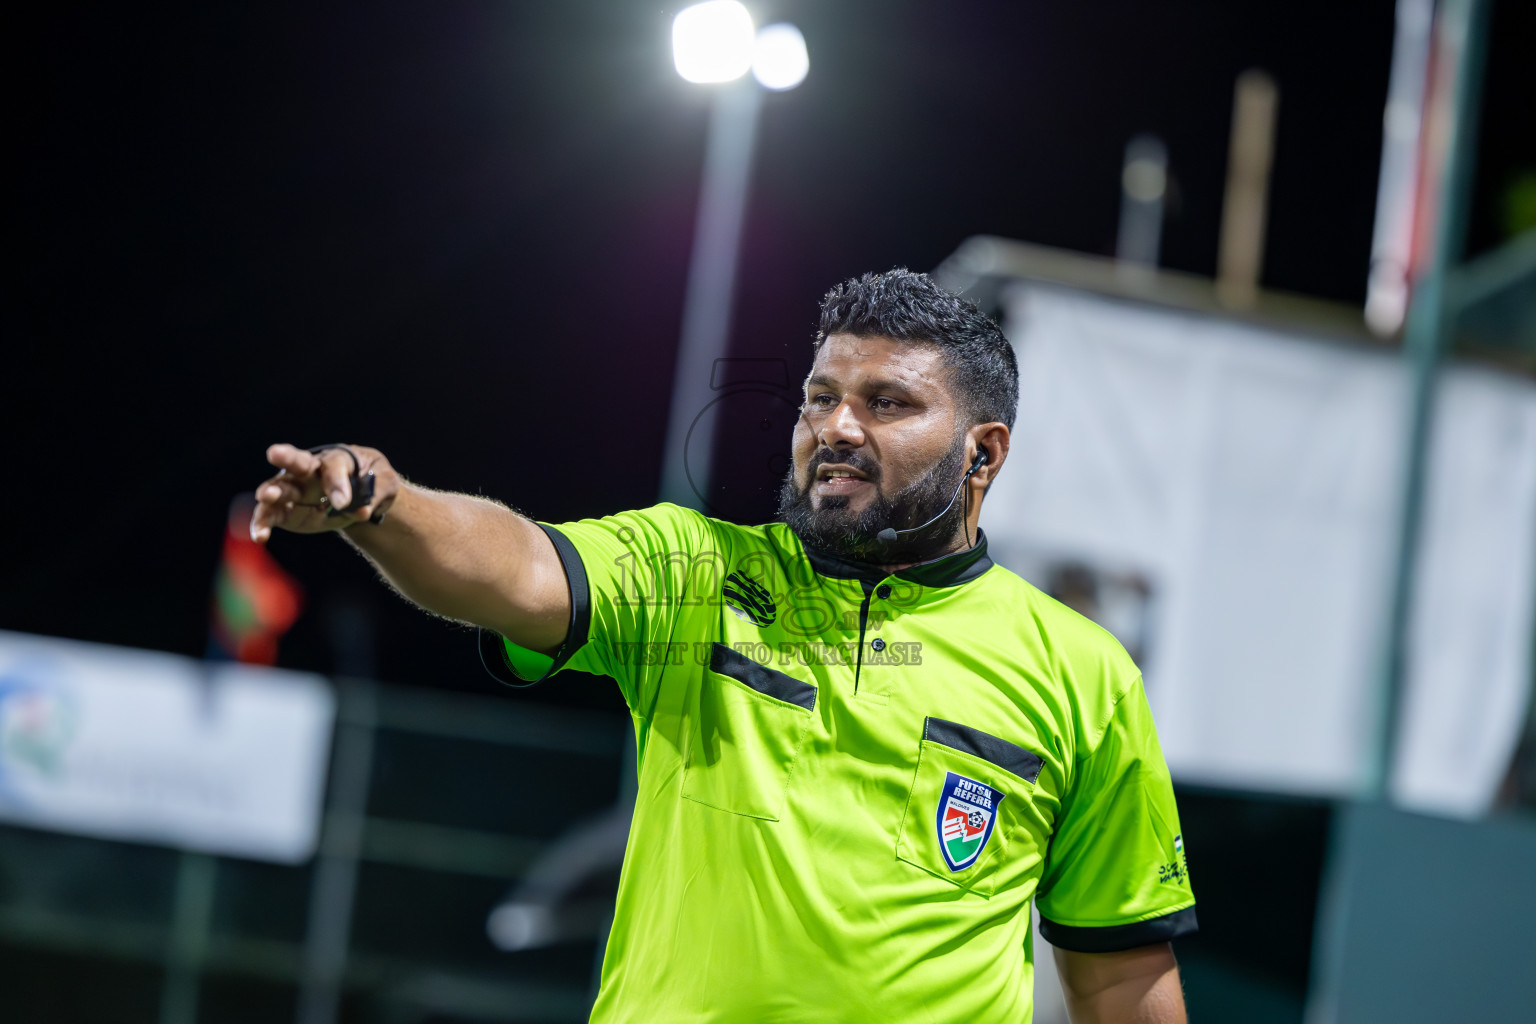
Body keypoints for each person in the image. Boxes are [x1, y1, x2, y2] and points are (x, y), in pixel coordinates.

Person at [252, 269, 1197, 1023]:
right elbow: (521, 568)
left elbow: (1118, 970)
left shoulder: (1083, 674)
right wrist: (382, 504)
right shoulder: (695, 571)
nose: (836, 428)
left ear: (982, 454)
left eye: (887, 403)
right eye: (819, 397)